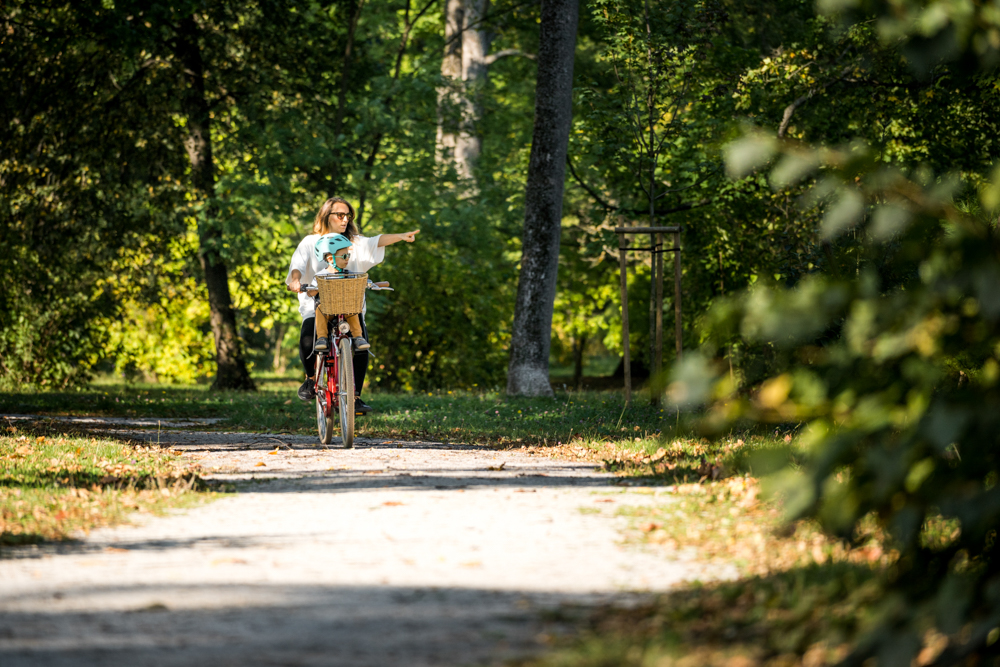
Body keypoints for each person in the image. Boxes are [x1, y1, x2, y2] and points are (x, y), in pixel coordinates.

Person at [286, 197, 419, 412]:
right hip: (318, 305)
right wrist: (295, 280)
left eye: (348, 216)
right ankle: (311, 379)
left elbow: (376, 241)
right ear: (326, 216)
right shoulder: (310, 242)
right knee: (308, 336)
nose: (345, 219)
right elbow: (297, 266)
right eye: (340, 215)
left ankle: (354, 397)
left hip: (349, 306)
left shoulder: (354, 243)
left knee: (362, 344)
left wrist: (401, 236)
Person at [306, 233, 370, 353]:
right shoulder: (320, 276)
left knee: (353, 309)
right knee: (319, 308)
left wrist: (367, 283)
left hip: (345, 308)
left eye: (348, 255)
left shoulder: (350, 274)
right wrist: (313, 289)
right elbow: (311, 293)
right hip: (327, 309)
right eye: (344, 256)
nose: (347, 259)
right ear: (330, 259)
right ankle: (322, 338)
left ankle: (358, 337)